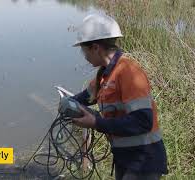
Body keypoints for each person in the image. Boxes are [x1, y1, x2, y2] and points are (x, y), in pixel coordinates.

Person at [71, 13, 168, 180]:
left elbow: (143, 121)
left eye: (84, 50)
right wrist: (68, 103)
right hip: (125, 158)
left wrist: (96, 122)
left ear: (95, 48)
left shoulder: (128, 72)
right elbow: (87, 95)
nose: (84, 56)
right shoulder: (104, 74)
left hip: (144, 160)